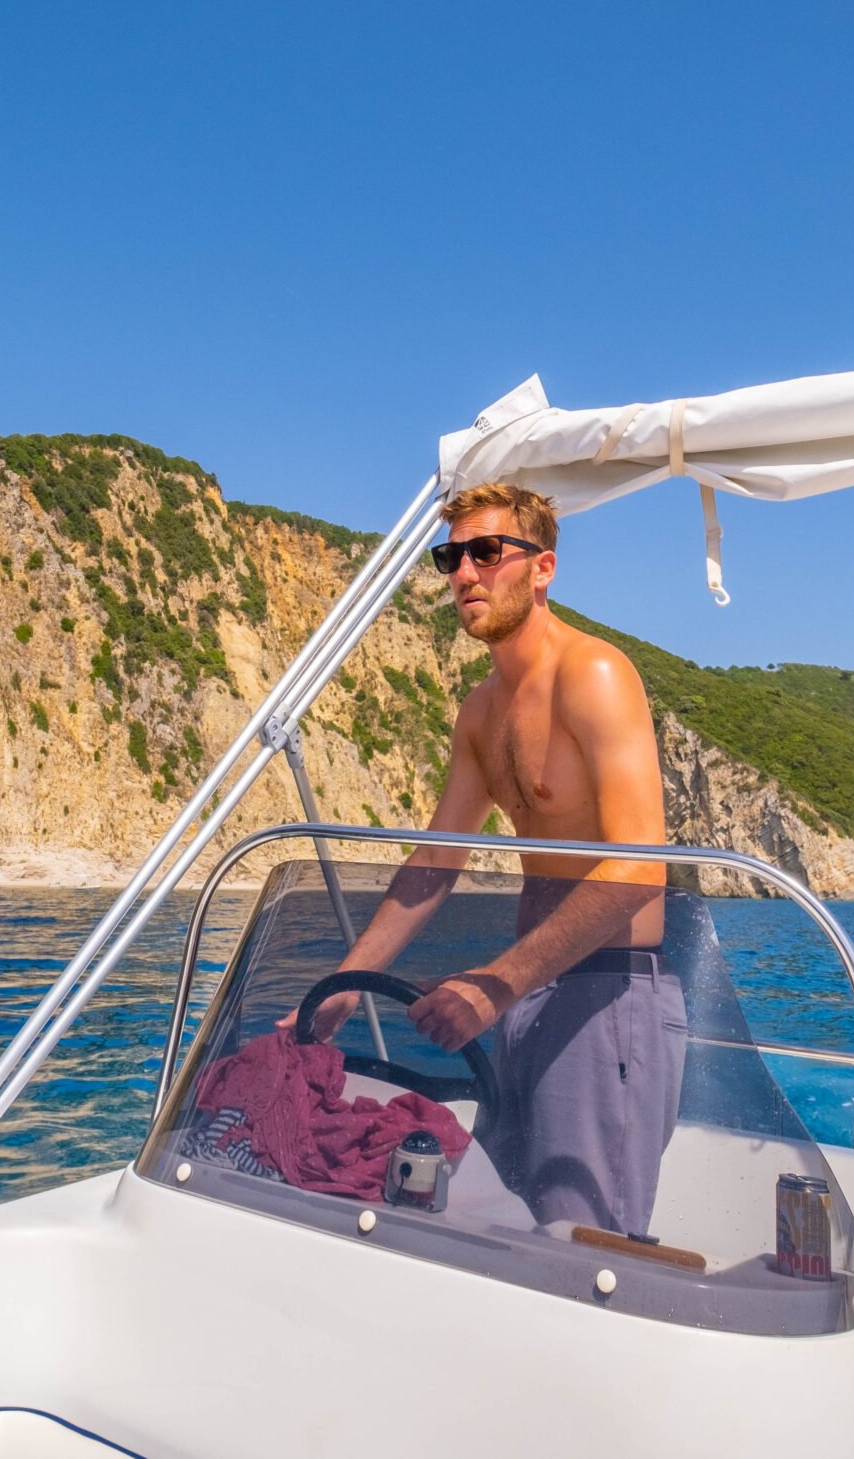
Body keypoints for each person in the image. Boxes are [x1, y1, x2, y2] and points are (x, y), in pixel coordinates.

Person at [282, 481, 687, 1238]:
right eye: (451, 556)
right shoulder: (481, 710)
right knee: (498, 1229)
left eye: (486, 552)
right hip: (525, 995)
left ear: (543, 569)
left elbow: (640, 867)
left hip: (607, 1001)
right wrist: (341, 984)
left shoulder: (593, 675)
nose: (463, 573)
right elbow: (436, 860)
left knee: (581, 1248)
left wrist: (495, 985)